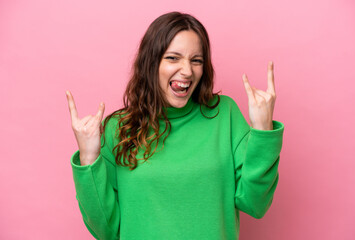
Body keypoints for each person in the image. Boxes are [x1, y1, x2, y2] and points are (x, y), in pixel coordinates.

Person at [66, 11, 284, 240]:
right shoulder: (117, 129)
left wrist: (263, 131)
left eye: (196, 60)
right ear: (151, 63)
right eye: (173, 58)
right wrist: (88, 159)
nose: (187, 71)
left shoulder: (224, 114)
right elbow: (106, 231)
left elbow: (255, 203)